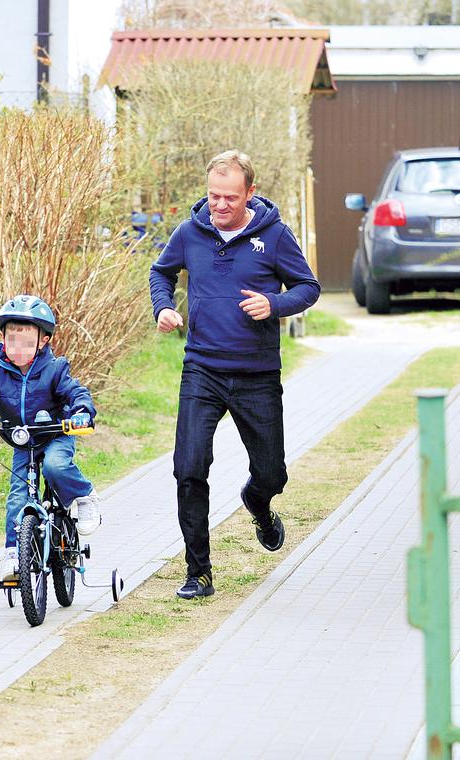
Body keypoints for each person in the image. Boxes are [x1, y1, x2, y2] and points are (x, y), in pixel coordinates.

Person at [150, 150, 321, 600]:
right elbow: (161, 272)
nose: (219, 206)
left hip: (256, 373)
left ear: (250, 192)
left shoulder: (275, 236)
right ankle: (198, 572)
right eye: (213, 196)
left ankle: (259, 503)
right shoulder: (190, 232)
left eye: (229, 197)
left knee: (272, 473)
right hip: (202, 369)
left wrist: (274, 305)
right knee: (188, 468)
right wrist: (163, 306)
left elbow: (309, 288)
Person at [0, 294, 102, 581]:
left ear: (43, 341)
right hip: (23, 441)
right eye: (12, 340)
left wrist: (81, 413)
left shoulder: (54, 368)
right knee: (17, 496)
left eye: (27, 342)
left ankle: (84, 496)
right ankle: (14, 553)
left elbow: (76, 393)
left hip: (55, 435)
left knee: (55, 467)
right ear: (2, 338)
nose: (19, 348)